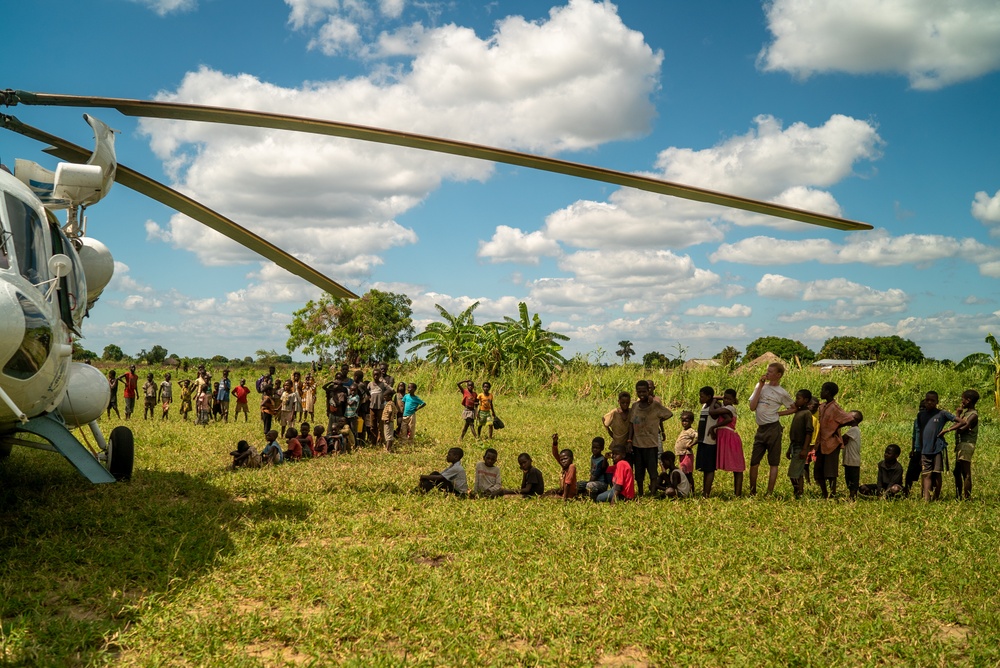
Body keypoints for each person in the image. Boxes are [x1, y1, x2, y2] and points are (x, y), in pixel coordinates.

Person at [747, 362, 795, 496]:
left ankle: (769, 492)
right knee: (754, 462)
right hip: (761, 428)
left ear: (778, 375)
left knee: (773, 462)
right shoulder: (760, 387)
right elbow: (752, 406)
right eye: (767, 371)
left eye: (770, 372)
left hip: (773, 428)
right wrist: (760, 386)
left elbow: (793, 408)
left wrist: (778, 414)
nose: (767, 374)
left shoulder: (782, 392)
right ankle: (752, 490)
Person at [628, 380, 673, 496]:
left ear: (649, 391)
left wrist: (656, 420)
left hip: (651, 445)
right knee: (639, 472)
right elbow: (631, 424)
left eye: (644, 391)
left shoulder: (655, 406)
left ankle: (652, 493)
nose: (641, 394)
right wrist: (629, 440)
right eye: (639, 392)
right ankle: (641, 493)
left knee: (652, 471)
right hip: (637, 445)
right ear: (636, 392)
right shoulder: (635, 406)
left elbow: (669, 414)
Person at [913, 390, 957, 502]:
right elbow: (920, 434)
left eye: (932, 400)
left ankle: (936, 497)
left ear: (937, 401)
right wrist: (919, 450)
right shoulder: (920, 415)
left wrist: (947, 430)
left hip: (937, 448)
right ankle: (926, 500)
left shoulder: (942, 414)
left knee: (937, 473)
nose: (929, 402)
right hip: (925, 450)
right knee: (926, 474)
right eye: (927, 400)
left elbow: (961, 422)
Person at [815, 382, 856, 499]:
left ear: (828, 392)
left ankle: (832, 494)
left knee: (831, 471)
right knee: (818, 471)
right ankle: (824, 494)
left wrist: (835, 427)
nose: (821, 392)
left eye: (822, 390)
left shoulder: (834, 407)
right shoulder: (822, 406)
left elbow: (849, 419)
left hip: (832, 443)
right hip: (821, 443)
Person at [939, 389, 979, 500]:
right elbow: (959, 426)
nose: (962, 402)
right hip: (961, 445)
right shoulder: (966, 413)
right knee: (957, 472)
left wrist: (947, 430)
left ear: (968, 400)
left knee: (966, 473)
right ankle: (958, 496)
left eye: (963, 399)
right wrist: (958, 414)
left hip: (967, 444)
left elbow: (961, 429)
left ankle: (967, 498)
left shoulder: (973, 415)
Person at [711, 388, 745, 497]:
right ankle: (737, 493)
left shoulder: (729, 408)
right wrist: (722, 398)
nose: (725, 400)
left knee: (737, 467)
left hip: (729, 437)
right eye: (724, 398)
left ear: (733, 400)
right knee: (735, 466)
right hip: (724, 437)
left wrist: (714, 427)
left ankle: (738, 494)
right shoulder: (726, 406)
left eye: (728, 399)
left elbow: (713, 412)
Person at [786, 390, 814, 499]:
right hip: (794, 445)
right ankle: (799, 492)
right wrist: (789, 449)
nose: (796, 400)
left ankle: (798, 491)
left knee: (793, 473)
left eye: (798, 398)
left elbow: (808, 432)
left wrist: (804, 449)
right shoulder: (798, 412)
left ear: (805, 400)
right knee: (799, 472)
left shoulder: (806, 413)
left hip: (801, 446)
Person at [695, 386, 720, 498]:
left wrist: (715, 428)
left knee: (709, 469)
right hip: (702, 440)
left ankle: (707, 493)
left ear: (709, 397)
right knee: (704, 468)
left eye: (702, 396)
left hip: (710, 441)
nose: (700, 398)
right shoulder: (705, 405)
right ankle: (704, 491)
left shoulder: (715, 406)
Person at [842, 411, 864, 501]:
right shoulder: (854, 430)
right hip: (849, 460)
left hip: (853, 460)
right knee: (849, 478)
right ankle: (852, 496)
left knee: (853, 479)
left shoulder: (854, 429)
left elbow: (843, 438)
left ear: (853, 419)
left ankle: (853, 496)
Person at [673, 410, 697, 494]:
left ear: (691, 421)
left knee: (688, 474)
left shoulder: (691, 431)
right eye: (683, 420)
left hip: (687, 454)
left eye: (686, 421)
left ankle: (691, 491)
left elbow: (698, 437)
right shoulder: (684, 430)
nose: (684, 423)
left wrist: (691, 444)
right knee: (684, 472)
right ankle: (686, 489)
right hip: (682, 454)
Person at [550, 433, 577, 499]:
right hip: (564, 492)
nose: (563, 461)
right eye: (561, 460)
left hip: (568, 495)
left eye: (565, 459)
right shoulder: (565, 466)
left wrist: (564, 499)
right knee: (549, 492)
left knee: (548, 497)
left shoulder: (571, 467)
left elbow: (568, 484)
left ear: (571, 458)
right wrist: (555, 442)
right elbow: (555, 454)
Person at [367, 370, 390, 447]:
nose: (376, 376)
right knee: (372, 425)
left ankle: (381, 441)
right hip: (372, 408)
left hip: (380, 407)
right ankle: (373, 442)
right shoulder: (370, 384)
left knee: (381, 425)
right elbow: (367, 392)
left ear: (380, 375)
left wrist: (384, 395)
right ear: (372, 375)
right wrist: (369, 398)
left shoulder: (383, 384)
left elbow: (391, 390)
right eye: (374, 375)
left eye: (377, 375)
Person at [381, 388, 399, 452]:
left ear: (390, 396)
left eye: (385, 397)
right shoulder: (393, 403)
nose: (384, 398)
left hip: (387, 421)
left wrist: (388, 418)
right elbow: (396, 411)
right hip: (391, 421)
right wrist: (393, 417)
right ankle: (390, 449)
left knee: (388, 436)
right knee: (390, 435)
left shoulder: (389, 403)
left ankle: (387, 449)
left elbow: (390, 411)